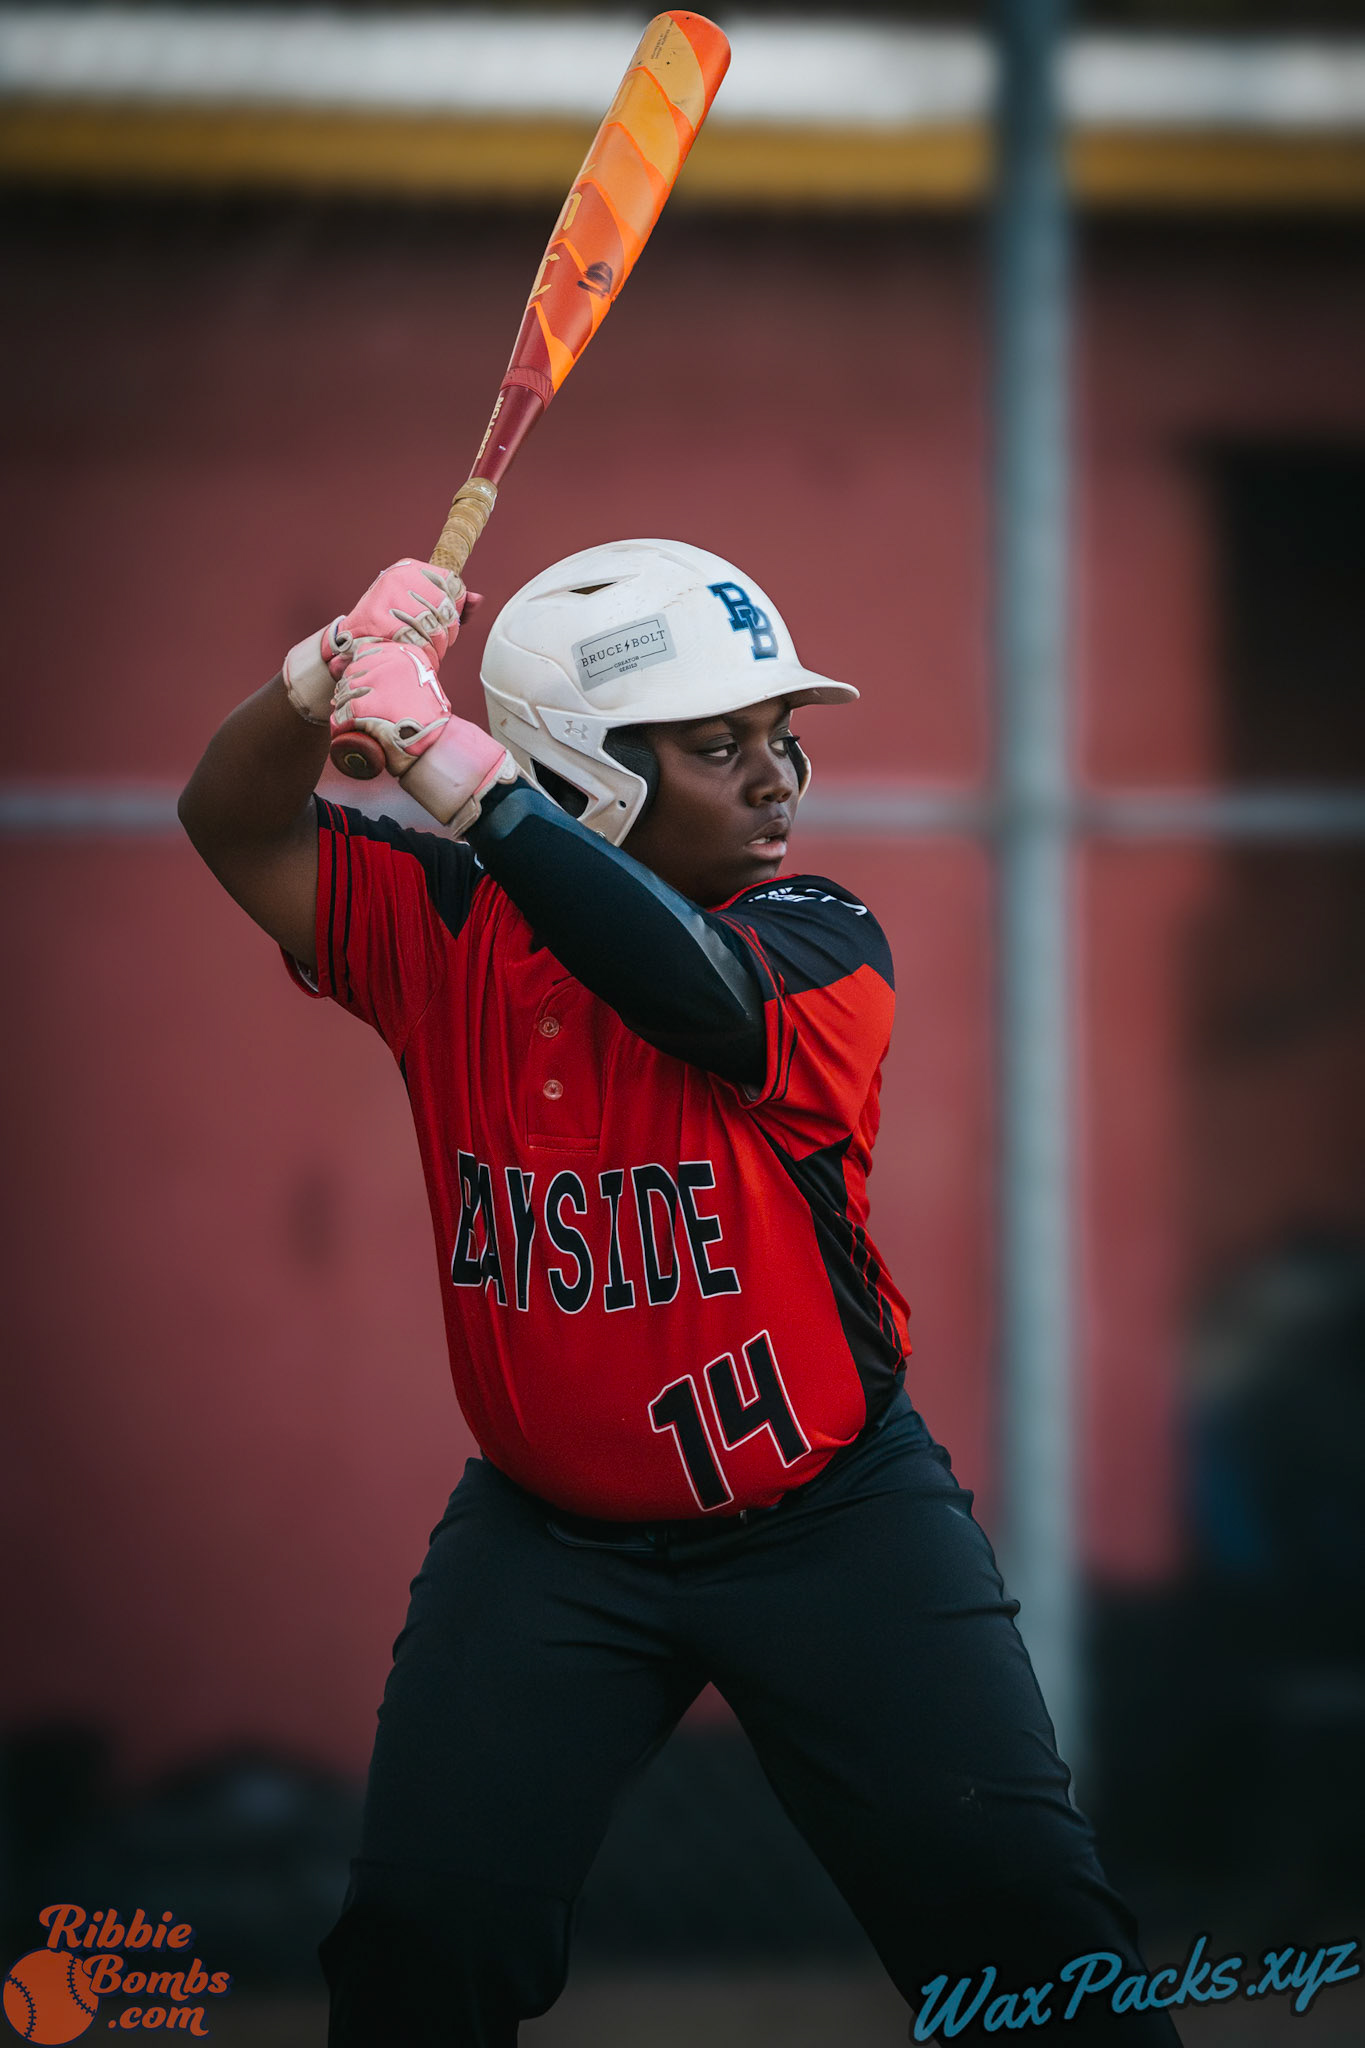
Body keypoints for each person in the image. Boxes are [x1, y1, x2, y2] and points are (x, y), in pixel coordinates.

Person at [179, 542, 1181, 2045]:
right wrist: (319, 673)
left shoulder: (820, 943)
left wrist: (462, 776)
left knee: (1030, 1950)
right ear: (587, 769)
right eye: (723, 747)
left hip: (833, 1521)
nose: (778, 777)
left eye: (781, 738)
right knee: (420, 1948)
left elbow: (689, 991)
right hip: (545, 1544)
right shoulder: (444, 933)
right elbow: (228, 819)